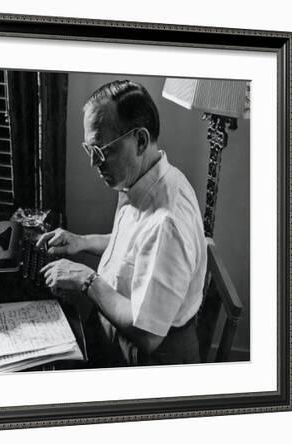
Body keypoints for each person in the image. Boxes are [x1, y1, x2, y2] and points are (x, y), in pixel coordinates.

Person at [38, 80, 207, 366]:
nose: (94, 163)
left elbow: (147, 333)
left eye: (102, 151)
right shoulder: (146, 179)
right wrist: (81, 242)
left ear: (140, 141)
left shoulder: (168, 223)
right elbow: (135, 248)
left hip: (147, 358)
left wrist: (86, 279)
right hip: (114, 330)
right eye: (89, 149)